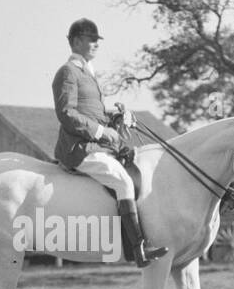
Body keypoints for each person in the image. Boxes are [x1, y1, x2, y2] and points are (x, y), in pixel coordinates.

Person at [52, 18, 167, 267]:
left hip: (95, 144)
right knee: (123, 182)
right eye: (91, 39)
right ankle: (138, 249)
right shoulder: (68, 72)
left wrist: (115, 117)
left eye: (96, 40)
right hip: (78, 148)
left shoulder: (87, 73)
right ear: (76, 42)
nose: (96, 44)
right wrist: (102, 131)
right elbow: (66, 113)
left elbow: (92, 111)